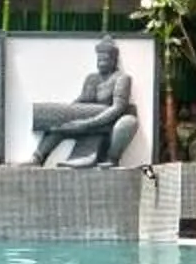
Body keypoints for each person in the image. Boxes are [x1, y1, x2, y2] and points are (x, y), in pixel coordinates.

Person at [31, 37, 139, 167]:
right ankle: (38, 157)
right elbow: (83, 100)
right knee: (60, 124)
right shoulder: (92, 78)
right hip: (92, 116)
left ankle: (112, 158)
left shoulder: (122, 78)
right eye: (99, 60)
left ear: (114, 60)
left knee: (129, 122)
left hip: (110, 120)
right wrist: (64, 116)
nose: (101, 63)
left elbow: (118, 107)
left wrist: (87, 123)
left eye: (105, 59)